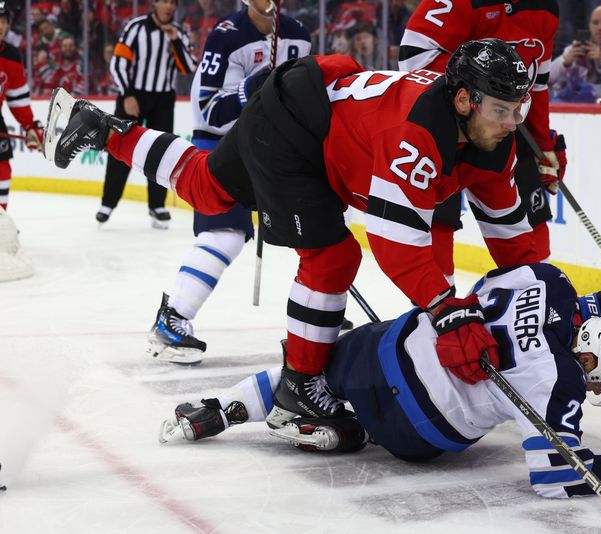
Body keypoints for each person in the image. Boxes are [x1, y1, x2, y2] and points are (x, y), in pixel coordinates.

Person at [44, 39, 543, 430]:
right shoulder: (417, 134)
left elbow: (512, 239)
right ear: (463, 99)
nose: (511, 122)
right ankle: (300, 388)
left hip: (302, 104)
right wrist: (445, 309)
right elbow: (396, 243)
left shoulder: (492, 141)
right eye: (501, 109)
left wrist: (542, 299)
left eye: (517, 108)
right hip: (298, 133)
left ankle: (106, 129)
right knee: (332, 258)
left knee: (206, 187)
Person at [158, 263, 601, 500]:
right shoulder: (561, 385)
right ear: (590, 363)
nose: (589, 393)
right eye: (597, 384)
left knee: (313, 365)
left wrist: (593, 302)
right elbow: (558, 480)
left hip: (377, 352)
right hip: (415, 436)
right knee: (424, 422)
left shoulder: (547, 278)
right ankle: (355, 433)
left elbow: (501, 291)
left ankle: (221, 407)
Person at [146, 0, 312, 364]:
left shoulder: (299, 35)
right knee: (224, 234)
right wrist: (251, 89)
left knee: (318, 225)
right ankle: (172, 317)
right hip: (223, 143)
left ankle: (320, 321)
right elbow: (206, 108)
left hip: (276, 144)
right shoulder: (226, 36)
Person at [398, 0, 563, 282]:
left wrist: (543, 145)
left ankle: (545, 300)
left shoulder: (546, 8)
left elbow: (538, 84)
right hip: (449, 122)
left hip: (508, 120)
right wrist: (486, 84)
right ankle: (437, 312)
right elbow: (414, 58)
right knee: (440, 217)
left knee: (528, 215)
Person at [97, 0, 196, 229]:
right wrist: (128, 94)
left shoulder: (178, 32)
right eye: (164, 1)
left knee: (162, 152)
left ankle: (157, 205)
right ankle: (108, 203)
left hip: (163, 99)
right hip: (133, 95)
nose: (169, 6)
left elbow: (188, 67)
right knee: (119, 146)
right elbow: (118, 64)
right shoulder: (136, 27)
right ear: (155, 3)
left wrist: (174, 40)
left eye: (172, 2)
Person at [0, 1, 43, 211]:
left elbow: (18, 99)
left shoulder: (11, 56)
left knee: (2, 169)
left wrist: (30, 126)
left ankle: (0, 221)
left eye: (3, 21)